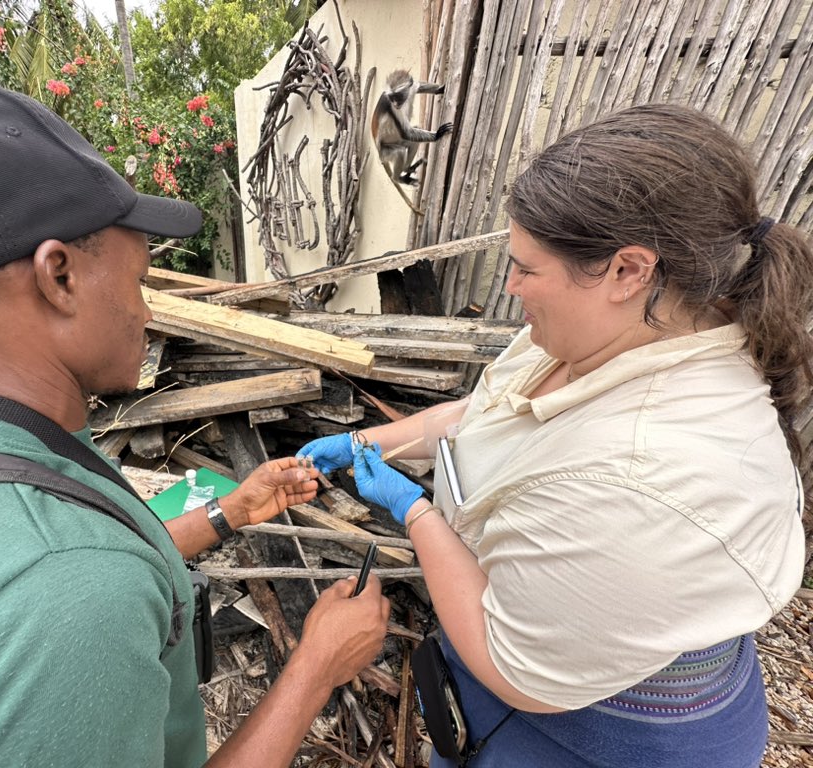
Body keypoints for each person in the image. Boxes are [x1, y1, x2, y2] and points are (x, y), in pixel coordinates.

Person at [0, 82, 389, 768]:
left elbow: (86, 543)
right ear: (58, 276)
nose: (148, 312)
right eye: (139, 279)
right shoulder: (71, 612)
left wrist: (230, 512)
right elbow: (74, 574)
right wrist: (315, 669)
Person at [299, 103, 811, 767]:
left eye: (527, 269)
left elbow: (510, 665)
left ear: (629, 271)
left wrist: (416, 512)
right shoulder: (612, 333)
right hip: (553, 670)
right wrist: (371, 443)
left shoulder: (636, 482)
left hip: (592, 733)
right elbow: (487, 415)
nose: (510, 288)